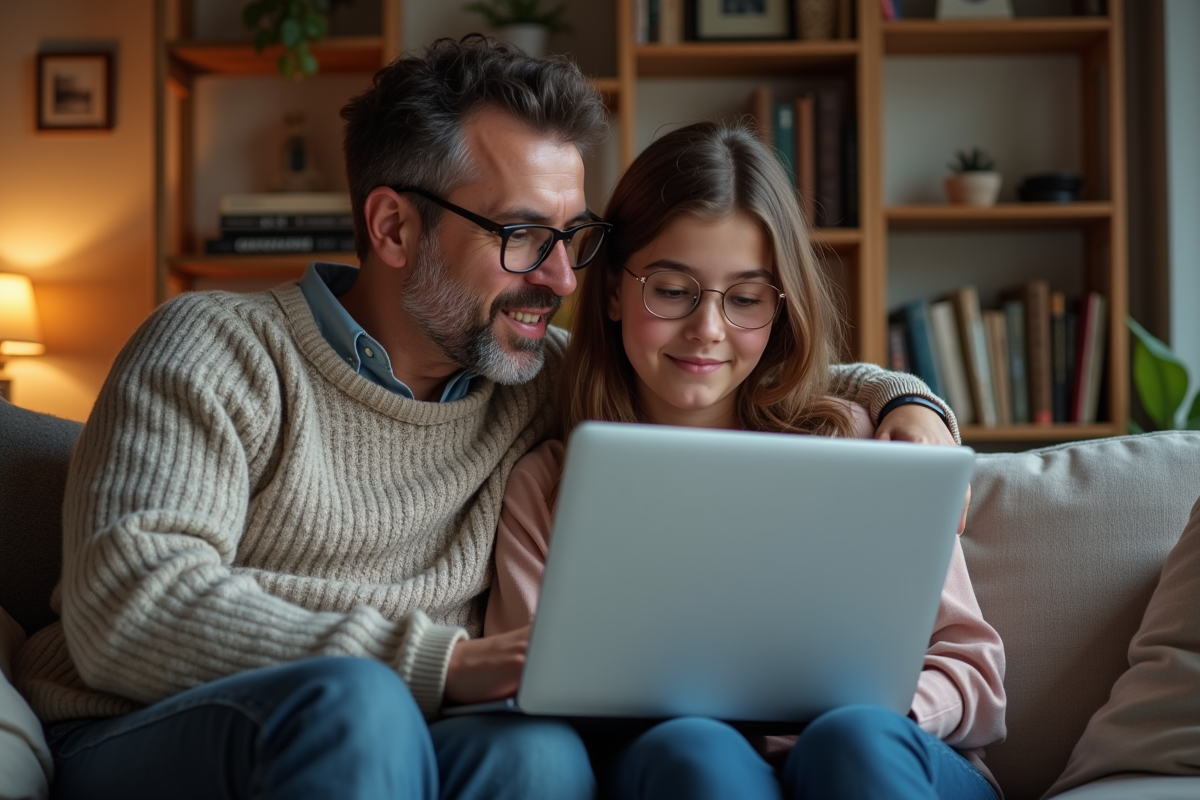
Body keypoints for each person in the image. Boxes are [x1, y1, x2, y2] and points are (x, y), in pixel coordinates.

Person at [14, 37, 960, 800]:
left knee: (537, 759)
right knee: (359, 704)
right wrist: (438, 661)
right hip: (144, 726)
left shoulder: (534, 376)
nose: (559, 278)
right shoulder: (216, 349)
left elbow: (724, 363)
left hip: (413, 727)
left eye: (573, 237)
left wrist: (907, 402)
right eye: (521, 237)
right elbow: (123, 609)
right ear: (392, 228)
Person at [484, 121, 1006, 800]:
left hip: (887, 759)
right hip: (681, 769)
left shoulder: (860, 447)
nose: (708, 329)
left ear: (780, 306)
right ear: (611, 291)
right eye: (672, 290)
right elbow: (536, 696)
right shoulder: (550, 487)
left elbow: (973, 670)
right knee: (691, 746)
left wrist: (890, 711)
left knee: (851, 739)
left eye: (747, 299)